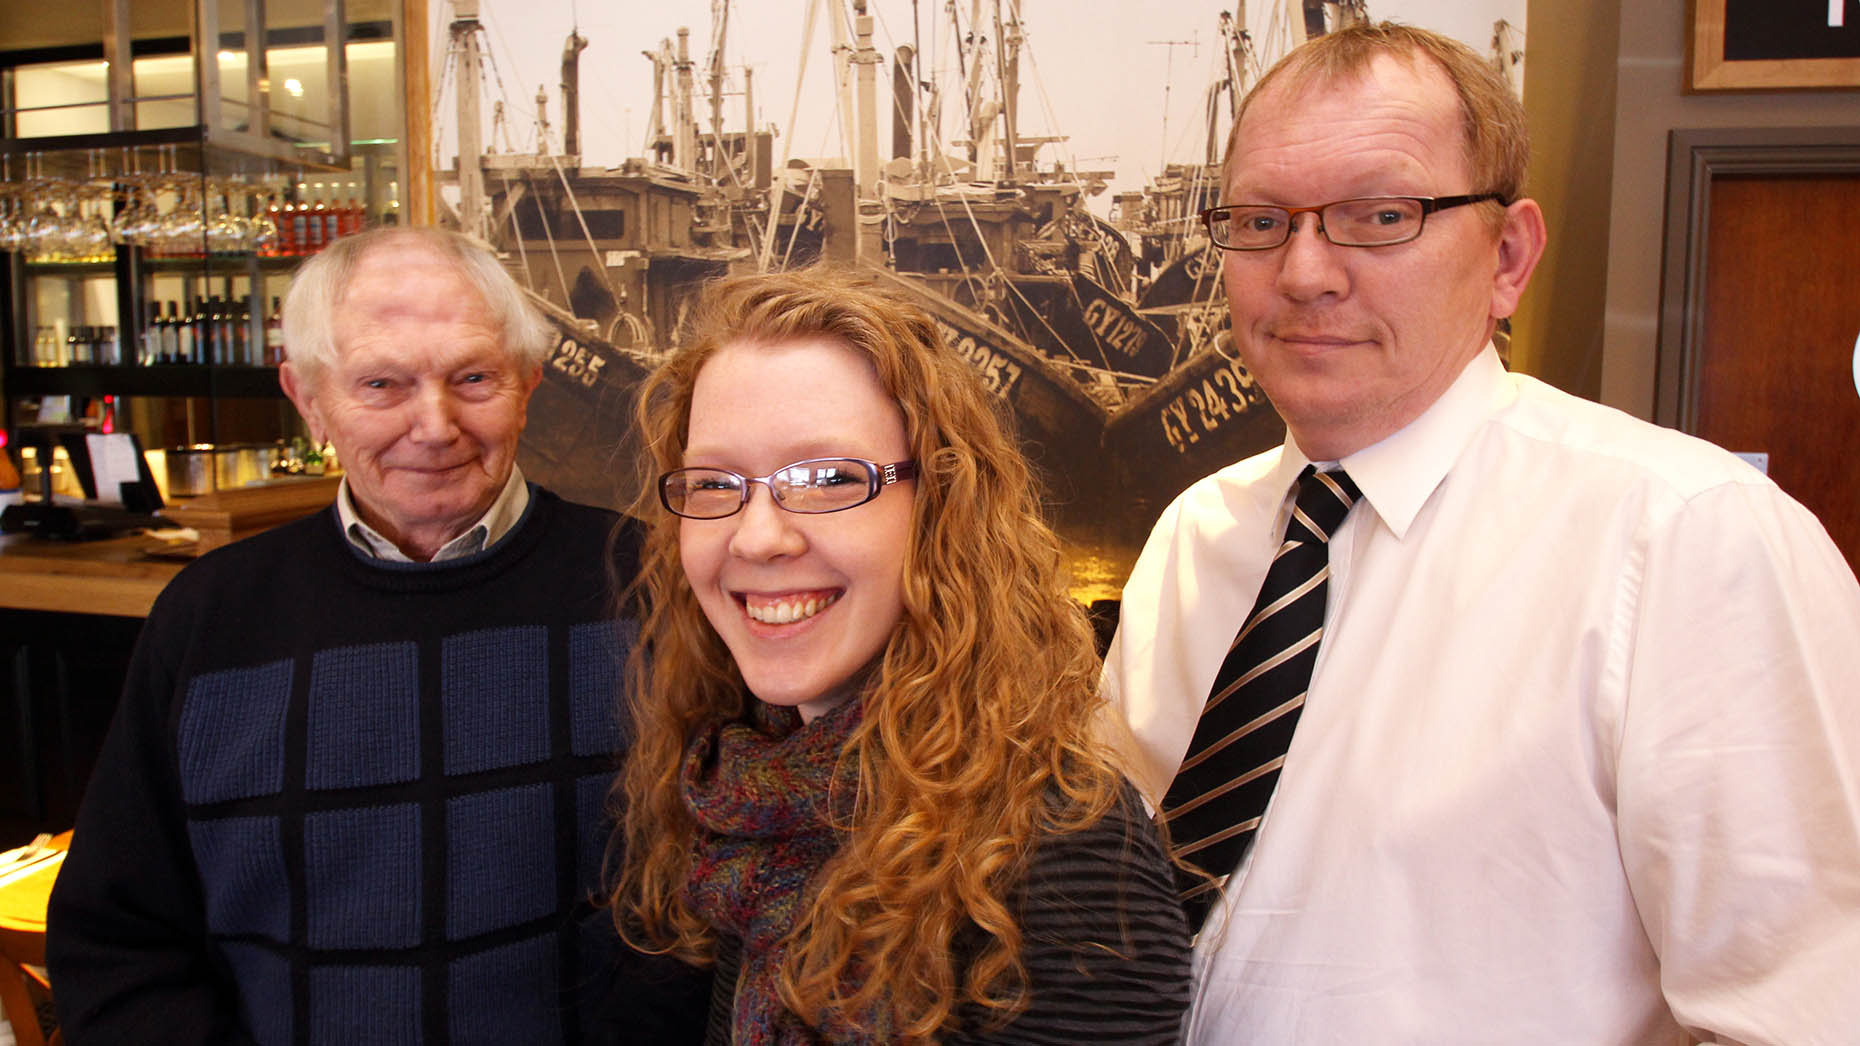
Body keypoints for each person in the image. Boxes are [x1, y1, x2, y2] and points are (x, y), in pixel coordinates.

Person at [1104, 21, 1860, 1046]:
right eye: (1261, 219)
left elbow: (1806, 1009)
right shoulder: (1192, 541)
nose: (1306, 272)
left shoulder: (1686, 541)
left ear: (1508, 256)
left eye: (1381, 214)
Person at [47, 227, 706, 1044]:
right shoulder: (208, 620)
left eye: (473, 377)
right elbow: (118, 940)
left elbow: (710, 909)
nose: (434, 425)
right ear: (308, 397)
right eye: (382, 384)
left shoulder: (656, 588)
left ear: (529, 382)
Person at [611, 268, 1190, 1045]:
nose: (755, 536)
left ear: (941, 508)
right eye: (717, 482)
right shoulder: (743, 795)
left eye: (824, 479)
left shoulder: (1064, 854)